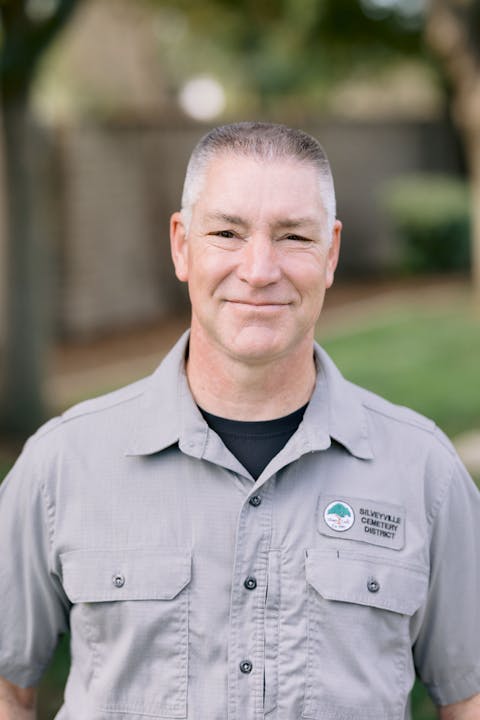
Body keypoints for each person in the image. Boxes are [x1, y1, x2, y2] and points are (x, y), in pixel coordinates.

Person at [0, 122, 479, 720]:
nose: (258, 269)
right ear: (182, 245)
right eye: (227, 232)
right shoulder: (61, 465)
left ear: (330, 252)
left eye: (293, 236)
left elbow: (470, 698)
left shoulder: (425, 472)